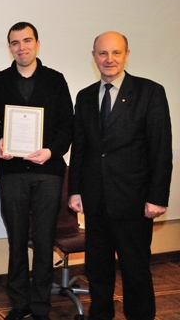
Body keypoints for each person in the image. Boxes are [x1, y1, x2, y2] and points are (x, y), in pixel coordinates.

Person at [68, 31, 172, 320]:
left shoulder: (150, 92)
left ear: (127, 55)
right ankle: (100, 315)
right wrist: (75, 190)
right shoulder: (85, 96)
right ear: (94, 57)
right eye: (103, 53)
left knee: (135, 270)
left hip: (134, 202)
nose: (109, 59)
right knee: (97, 269)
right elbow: (81, 148)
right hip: (96, 201)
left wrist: (157, 197)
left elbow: (161, 149)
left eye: (116, 53)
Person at [0, 22, 73, 320]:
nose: (21, 47)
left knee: (45, 240)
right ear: (9, 47)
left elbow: (67, 126)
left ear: (37, 43)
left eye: (27, 41)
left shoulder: (55, 80)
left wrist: (50, 151)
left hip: (48, 172)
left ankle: (40, 305)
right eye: (15, 42)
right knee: (17, 239)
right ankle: (19, 302)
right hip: (12, 171)